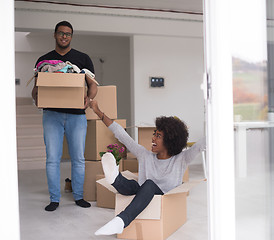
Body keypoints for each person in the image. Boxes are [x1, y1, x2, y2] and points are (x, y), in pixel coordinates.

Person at [88, 100, 206, 236]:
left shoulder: (181, 159)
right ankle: (114, 178)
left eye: (158, 136)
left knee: (149, 184)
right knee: (135, 185)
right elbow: (122, 135)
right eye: (154, 133)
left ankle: (122, 220)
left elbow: (200, 145)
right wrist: (97, 111)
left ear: (170, 141)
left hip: (164, 197)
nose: (153, 138)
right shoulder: (145, 155)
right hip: (141, 193)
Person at [31, 21, 98, 211]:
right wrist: (37, 98)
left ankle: (78, 196)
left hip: (77, 115)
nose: (64, 37)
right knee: (52, 158)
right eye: (61, 33)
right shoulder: (43, 60)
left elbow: (93, 85)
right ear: (54, 35)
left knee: (78, 158)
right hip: (51, 114)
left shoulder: (82, 58)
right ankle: (54, 199)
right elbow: (36, 89)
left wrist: (89, 99)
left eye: (68, 34)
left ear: (71, 36)